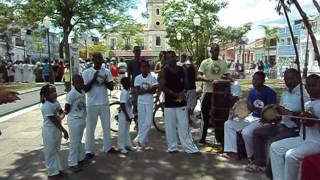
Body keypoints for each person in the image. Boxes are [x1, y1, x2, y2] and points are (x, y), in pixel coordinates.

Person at [246, 69, 309, 172]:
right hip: (281, 124)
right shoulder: (286, 92)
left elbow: (305, 116)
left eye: (291, 79)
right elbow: (280, 111)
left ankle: (271, 171)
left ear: (298, 78)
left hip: (293, 129)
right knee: (257, 132)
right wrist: (271, 116)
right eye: (286, 79)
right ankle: (259, 163)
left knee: (273, 142)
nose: (288, 81)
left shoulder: (304, 94)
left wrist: (290, 113)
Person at [270, 74, 320, 180]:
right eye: (308, 85)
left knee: (291, 155)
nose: (310, 88)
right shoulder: (307, 104)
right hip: (303, 138)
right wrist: (294, 116)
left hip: (317, 142)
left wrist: (315, 120)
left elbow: (313, 122)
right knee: (275, 147)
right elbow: (301, 121)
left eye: (314, 85)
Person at [224, 71, 277, 160]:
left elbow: (271, 112)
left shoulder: (270, 93)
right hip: (251, 117)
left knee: (246, 132)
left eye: (258, 79)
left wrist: (255, 109)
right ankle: (233, 152)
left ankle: (252, 156)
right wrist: (237, 113)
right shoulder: (252, 92)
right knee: (229, 123)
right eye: (254, 79)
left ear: (263, 81)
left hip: (262, 119)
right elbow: (247, 108)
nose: (255, 81)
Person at [160, 51, 199, 154]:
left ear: (176, 57)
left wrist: (183, 93)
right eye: (169, 58)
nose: (172, 59)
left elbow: (187, 84)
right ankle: (172, 147)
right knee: (170, 126)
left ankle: (189, 147)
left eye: (173, 57)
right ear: (166, 59)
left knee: (184, 125)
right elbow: (163, 86)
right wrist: (175, 94)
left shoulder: (183, 69)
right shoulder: (164, 71)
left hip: (181, 101)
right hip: (169, 102)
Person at [82, 52, 115, 159]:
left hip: (104, 103)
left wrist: (104, 81)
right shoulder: (87, 72)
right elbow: (85, 89)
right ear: (93, 60)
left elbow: (111, 87)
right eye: (98, 58)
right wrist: (94, 78)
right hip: (92, 104)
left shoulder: (107, 71)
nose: (101, 61)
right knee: (90, 128)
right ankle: (89, 150)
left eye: (101, 58)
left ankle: (108, 147)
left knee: (106, 127)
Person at [198, 44, 228, 144]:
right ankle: (203, 137)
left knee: (219, 115)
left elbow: (227, 75)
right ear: (210, 51)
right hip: (207, 92)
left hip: (219, 94)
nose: (216, 52)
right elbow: (199, 75)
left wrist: (226, 78)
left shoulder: (223, 63)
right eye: (214, 50)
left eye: (217, 50)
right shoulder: (205, 62)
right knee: (205, 115)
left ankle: (220, 138)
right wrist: (209, 80)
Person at [40, 84, 69, 178]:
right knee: (50, 152)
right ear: (45, 95)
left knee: (56, 151)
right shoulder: (46, 106)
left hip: (57, 130)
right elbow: (55, 121)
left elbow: (61, 113)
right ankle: (52, 173)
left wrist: (60, 116)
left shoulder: (56, 102)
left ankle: (58, 170)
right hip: (49, 131)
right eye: (52, 92)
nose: (55, 93)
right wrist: (64, 131)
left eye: (55, 91)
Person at [64, 75, 87, 172]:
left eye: (82, 82)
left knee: (79, 141)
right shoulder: (71, 94)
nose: (81, 84)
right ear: (73, 84)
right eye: (78, 82)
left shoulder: (82, 92)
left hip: (81, 119)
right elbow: (67, 107)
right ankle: (72, 163)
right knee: (74, 142)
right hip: (74, 120)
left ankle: (80, 159)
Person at [134, 60, 158, 149]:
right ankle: (143, 143)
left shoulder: (152, 77)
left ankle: (138, 139)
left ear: (148, 68)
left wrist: (144, 91)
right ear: (140, 68)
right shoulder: (137, 78)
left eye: (146, 67)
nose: (144, 68)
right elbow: (138, 92)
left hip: (149, 102)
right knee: (141, 122)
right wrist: (149, 90)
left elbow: (154, 90)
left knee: (148, 122)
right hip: (140, 102)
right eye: (143, 67)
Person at [117, 77, 134, 154]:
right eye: (129, 82)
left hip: (128, 114)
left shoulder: (127, 91)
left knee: (127, 130)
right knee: (122, 130)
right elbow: (122, 105)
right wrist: (127, 116)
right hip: (124, 115)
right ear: (126, 84)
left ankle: (128, 144)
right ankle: (121, 146)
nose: (130, 83)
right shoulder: (124, 92)